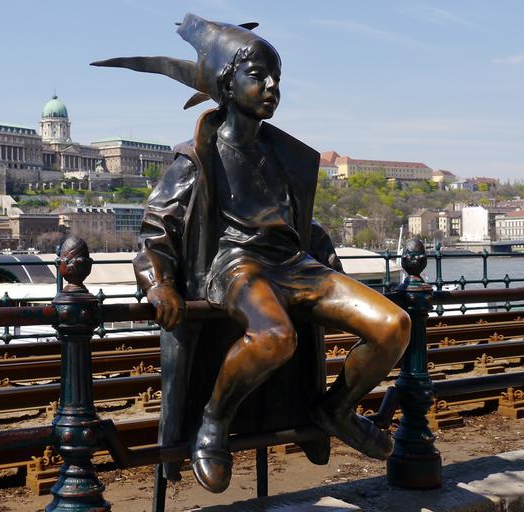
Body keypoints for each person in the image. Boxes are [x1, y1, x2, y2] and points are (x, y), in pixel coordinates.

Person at [92, 13, 411, 493]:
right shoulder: (197, 157)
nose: (271, 86)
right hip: (236, 267)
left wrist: (327, 257)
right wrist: (157, 284)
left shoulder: (284, 156)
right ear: (227, 83)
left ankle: (336, 409)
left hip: (294, 265)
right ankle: (214, 421)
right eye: (258, 75)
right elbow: (156, 229)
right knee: (274, 337)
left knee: (394, 326)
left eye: (276, 77)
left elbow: (298, 223)